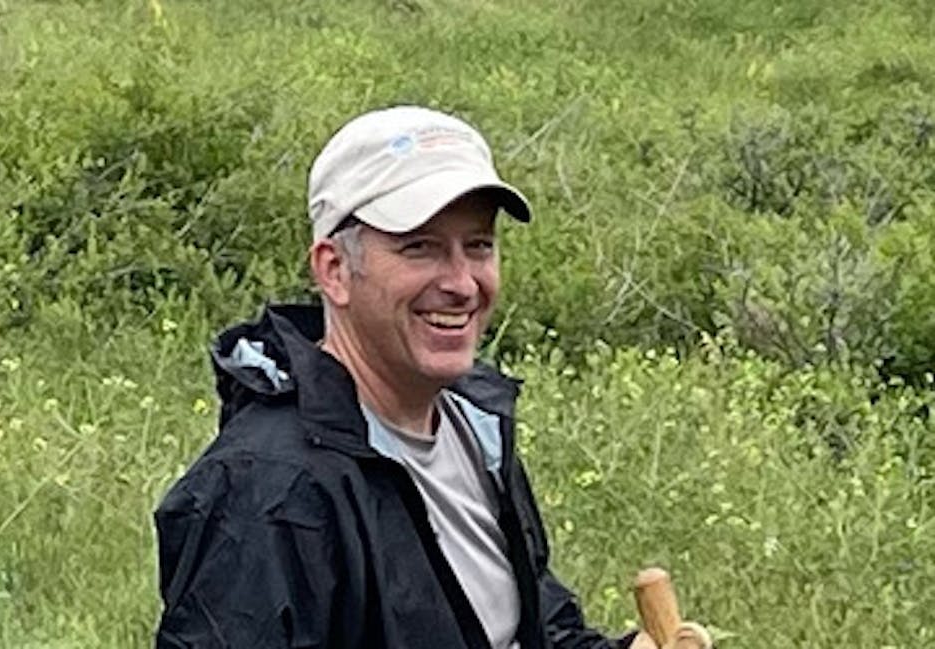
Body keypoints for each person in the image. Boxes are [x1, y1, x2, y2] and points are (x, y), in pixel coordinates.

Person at [154, 106, 709, 648]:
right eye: (420, 248)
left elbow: (533, 627)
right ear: (334, 270)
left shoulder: (475, 425)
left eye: (478, 246)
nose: (462, 283)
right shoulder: (269, 490)